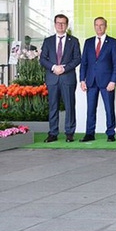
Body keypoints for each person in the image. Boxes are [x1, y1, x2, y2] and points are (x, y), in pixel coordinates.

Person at [39, 14, 81, 143]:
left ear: (67, 25)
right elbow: (42, 59)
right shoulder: (48, 41)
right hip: (52, 78)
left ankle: (69, 133)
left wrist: (64, 68)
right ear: (54, 24)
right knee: (53, 106)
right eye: (58, 23)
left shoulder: (73, 41)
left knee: (69, 105)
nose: (60, 25)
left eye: (63, 23)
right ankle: (53, 133)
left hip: (67, 77)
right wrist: (53, 67)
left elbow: (77, 59)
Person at [79, 17, 116, 142]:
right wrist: (82, 80)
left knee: (109, 108)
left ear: (106, 26)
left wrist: (113, 81)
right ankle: (89, 133)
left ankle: (110, 133)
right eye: (96, 25)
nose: (99, 27)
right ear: (94, 26)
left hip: (107, 82)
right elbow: (84, 62)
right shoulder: (88, 42)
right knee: (90, 108)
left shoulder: (113, 42)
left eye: (101, 25)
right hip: (91, 81)